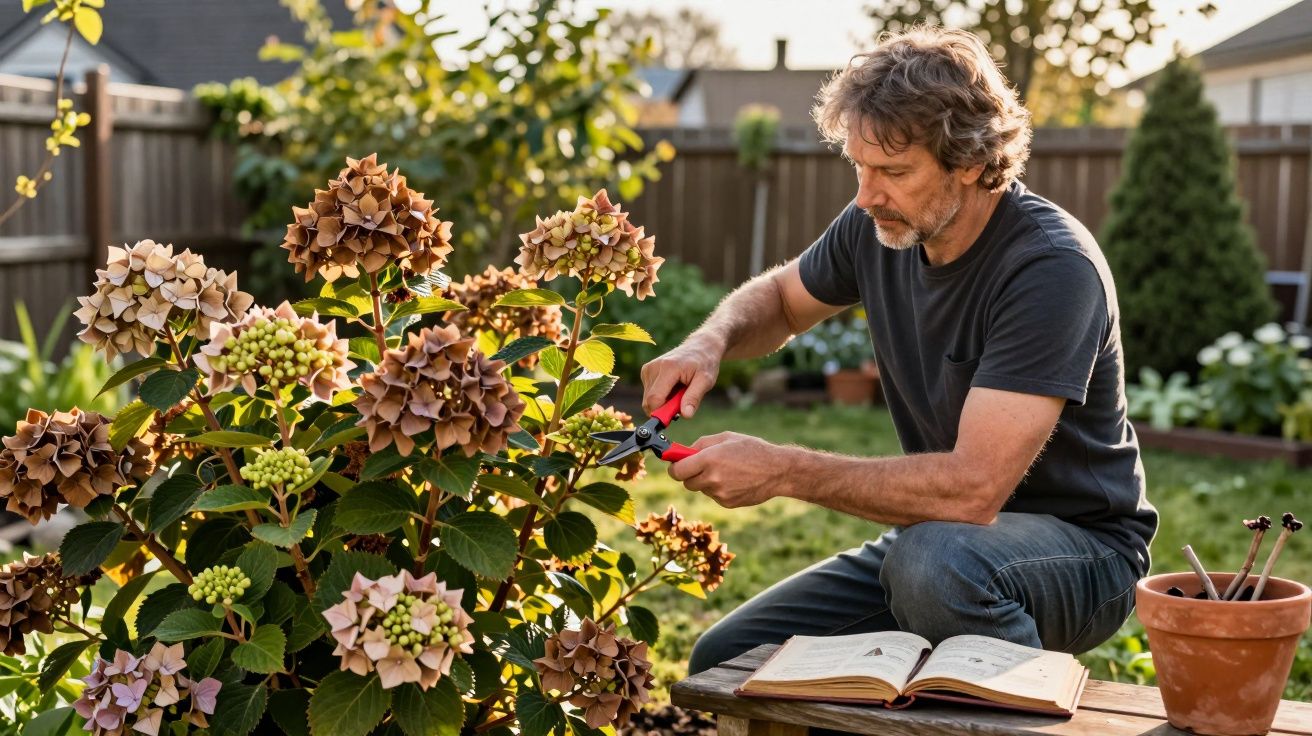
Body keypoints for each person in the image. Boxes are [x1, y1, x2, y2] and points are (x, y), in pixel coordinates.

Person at [639, 26, 1158, 676]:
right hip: (942, 538)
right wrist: (708, 342)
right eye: (859, 166)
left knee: (933, 565)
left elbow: (974, 490)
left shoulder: (1050, 268)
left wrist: (784, 470)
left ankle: (1021, 701)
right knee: (733, 659)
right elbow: (779, 299)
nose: (864, 194)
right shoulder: (877, 227)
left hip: (1083, 553)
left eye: (892, 171)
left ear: (969, 162)